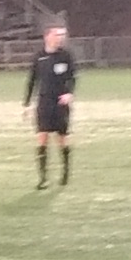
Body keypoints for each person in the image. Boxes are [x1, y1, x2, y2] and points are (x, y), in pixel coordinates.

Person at [25, 24, 80, 187]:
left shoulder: (65, 55)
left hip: (60, 103)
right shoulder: (39, 57)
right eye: (56, 35)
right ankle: (43, 178)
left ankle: (65, 172)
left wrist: (69, 93)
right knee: (42, 137)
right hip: (44, 102)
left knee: (62, 138)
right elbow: (32, 80)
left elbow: (72, 77)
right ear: (47, 37)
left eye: (61, 36)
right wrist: (26, 103)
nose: (59, 38)